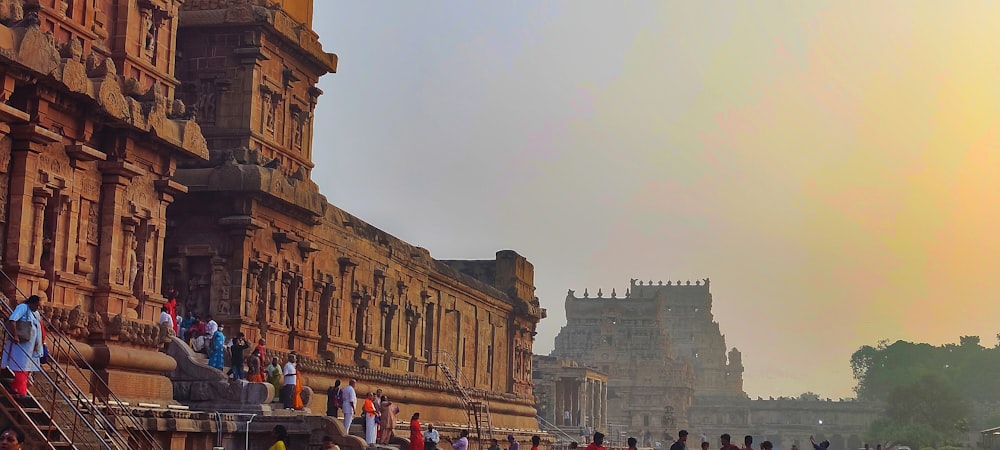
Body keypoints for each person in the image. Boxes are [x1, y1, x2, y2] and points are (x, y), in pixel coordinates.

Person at [3, 295, 43, 398]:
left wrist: (38, 344)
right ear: (31, 303)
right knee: (21, 366)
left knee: (27, 367)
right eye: (36, 305)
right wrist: (15, 335)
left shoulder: (36, 314)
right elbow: (12, 320)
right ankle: (22, 392)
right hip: (20, 344)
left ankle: (13, 387)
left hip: (30, 346)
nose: (37, 308)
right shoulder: (23, 307)